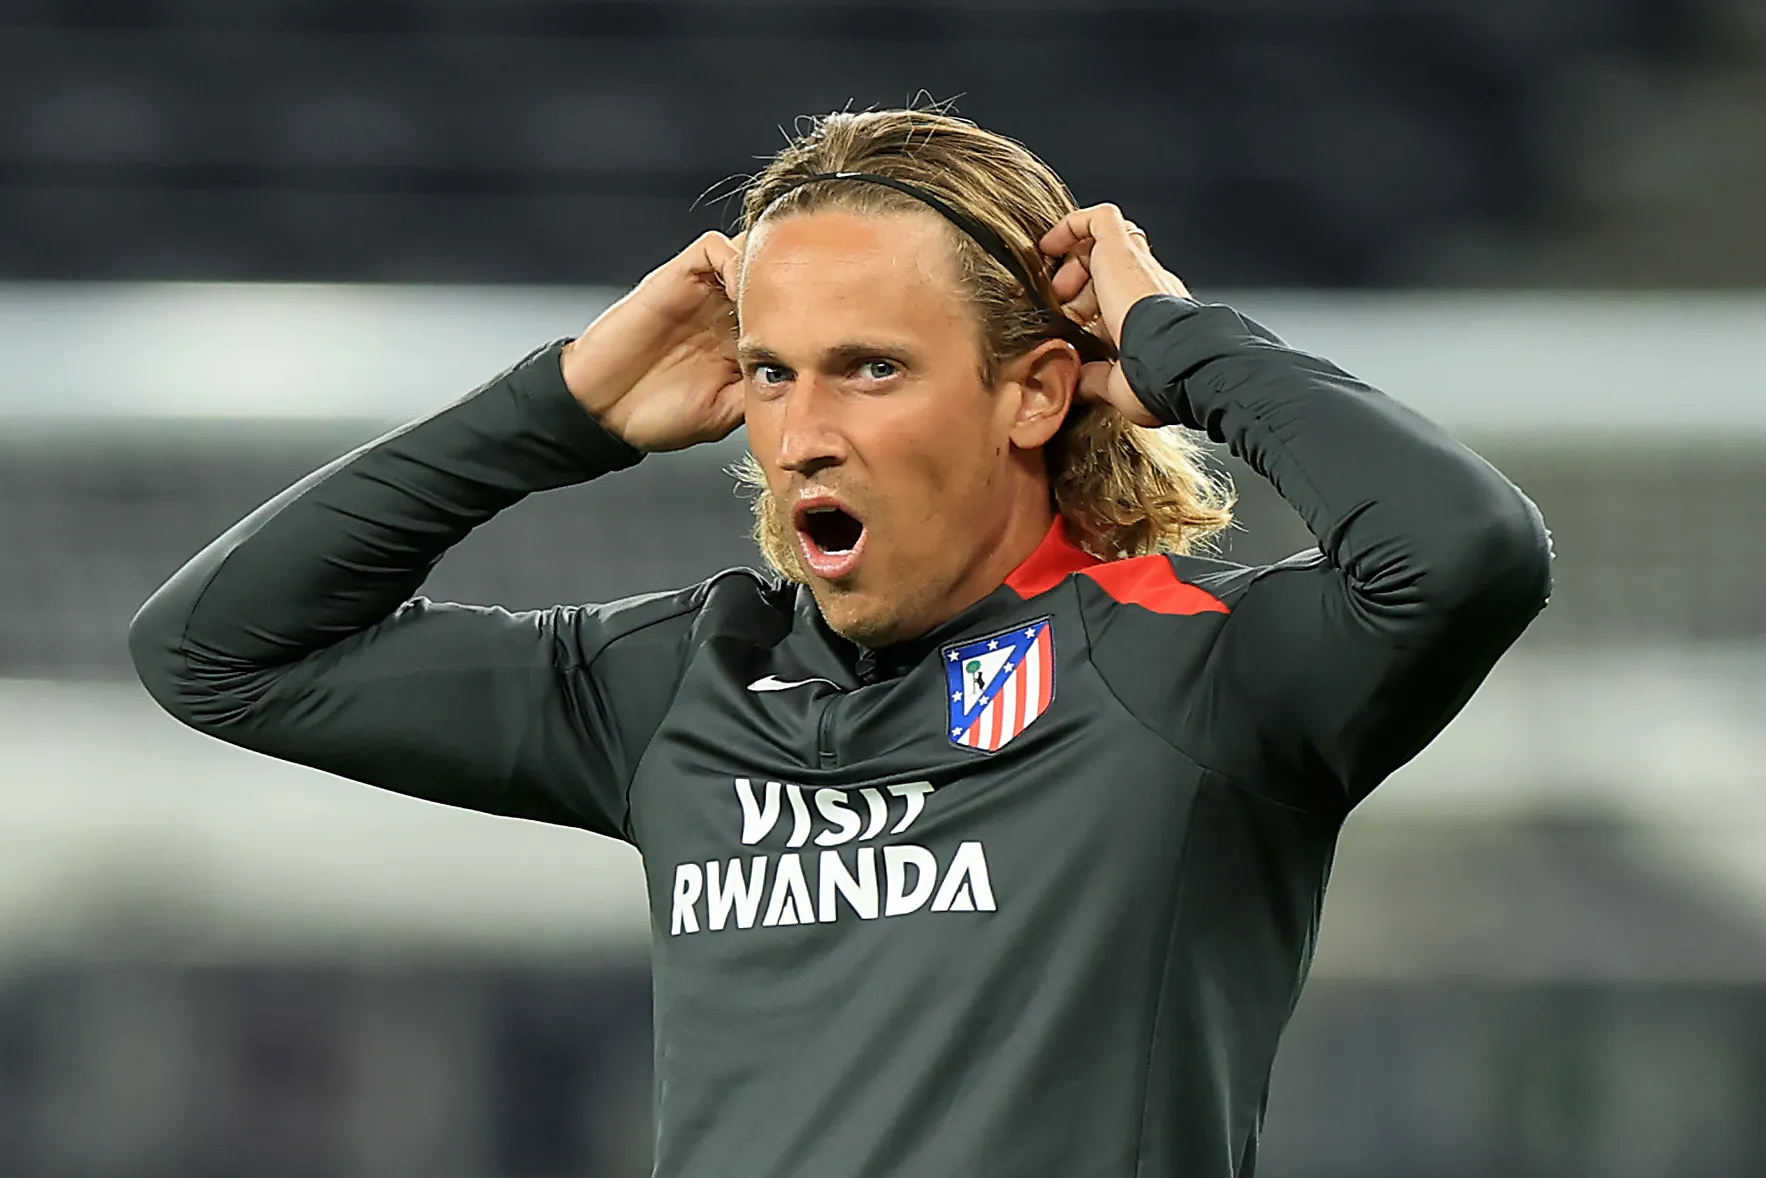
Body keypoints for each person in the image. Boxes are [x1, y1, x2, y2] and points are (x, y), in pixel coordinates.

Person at [130, 108, 1552, 1177]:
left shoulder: (1192, 674)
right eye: (768, 372)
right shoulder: (682, 683)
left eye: (871, 367)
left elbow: (1464, 548)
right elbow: (219, 651)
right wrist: (556, 407)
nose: (801, 431)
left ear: (1035, 392)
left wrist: (1178, 343)